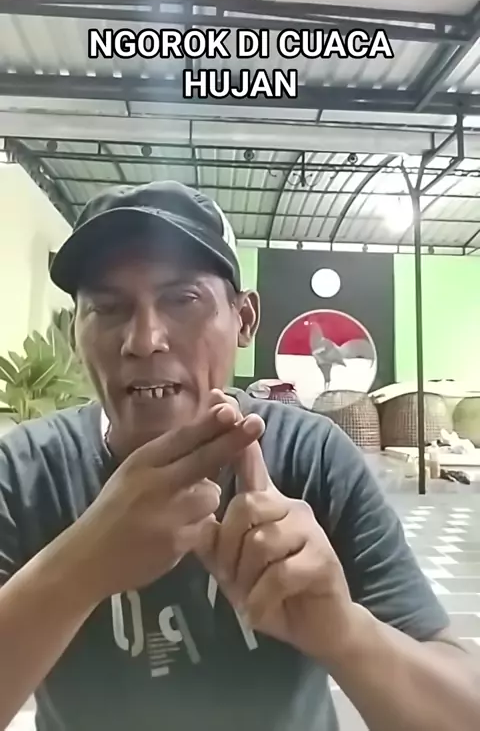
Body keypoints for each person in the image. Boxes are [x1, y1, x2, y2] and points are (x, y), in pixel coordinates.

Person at [0, 181, 478, 731]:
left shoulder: (311, 457)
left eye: (183, 299)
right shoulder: (25, 472)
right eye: (108, 307)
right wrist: (76, 571)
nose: (144, 339)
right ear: (75, 331)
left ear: (245, 319)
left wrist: (344, 632)